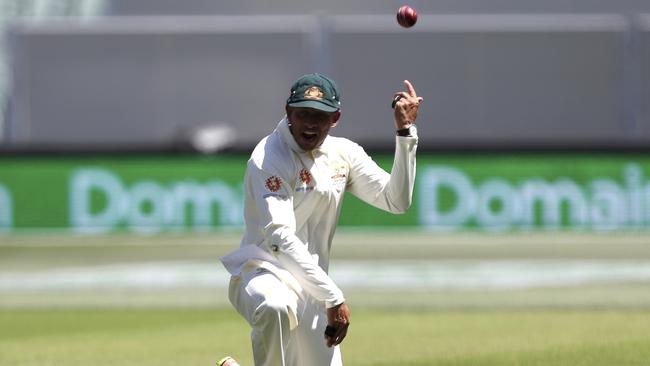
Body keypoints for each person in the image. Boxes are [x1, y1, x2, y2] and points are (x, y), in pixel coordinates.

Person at [220, 73, 422, 366]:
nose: (311, 124)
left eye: (320, 115)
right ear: (288, 113)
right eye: (303, 114)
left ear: (335, 118)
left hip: (313, 286)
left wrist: (406, 133)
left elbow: (397, 200)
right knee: (277, 305)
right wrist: (333, 296)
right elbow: (278, 239)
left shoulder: (344, 154)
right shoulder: (269, 157)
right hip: (262, 273)